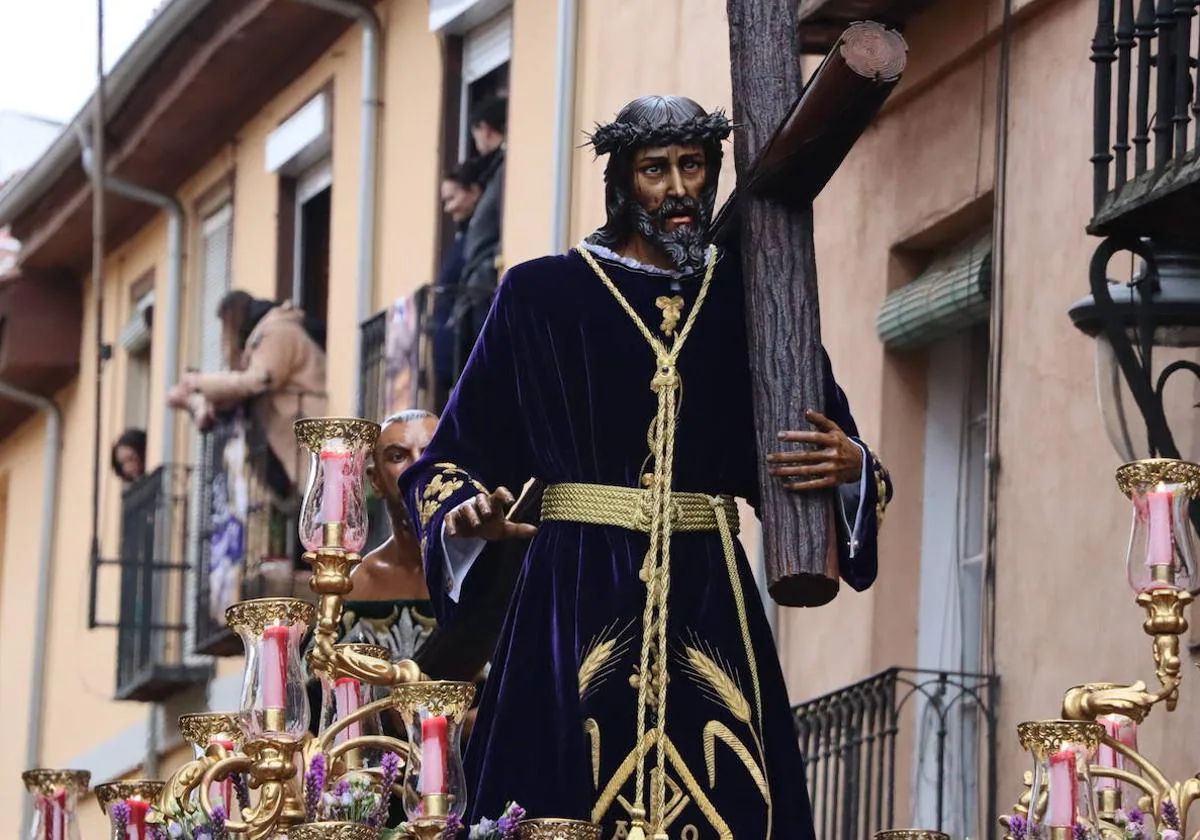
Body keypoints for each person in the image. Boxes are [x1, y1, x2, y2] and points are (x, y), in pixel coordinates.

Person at [401, 96, 893, 839]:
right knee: (552, 799)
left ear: (712, 172)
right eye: (654, 169)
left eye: (691, 166)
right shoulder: (540, 296)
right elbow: (451, 456)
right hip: (572, 591)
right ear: (623, 182)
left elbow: (826, 439)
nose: (676, 188)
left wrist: (852, 467)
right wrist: (463, 508)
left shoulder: (751, 301)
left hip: (708, 591)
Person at [167, 290, 327, 497]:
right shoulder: (264, 337)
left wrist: (197, 383)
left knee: (326, 502)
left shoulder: (275, 332)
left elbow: (256, 380)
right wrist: (197, 400)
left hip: (312, 428)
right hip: (301, 439)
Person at [452, 96, 508, 371]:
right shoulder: (494, 171)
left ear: (484, 129)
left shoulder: (503, 168)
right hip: (479, 285)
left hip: (483, 284)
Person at [433, 161, 485, 404]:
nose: (448, 208)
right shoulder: (465, 235)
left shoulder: (477, 237)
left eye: (452, 198)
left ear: (473, 191)